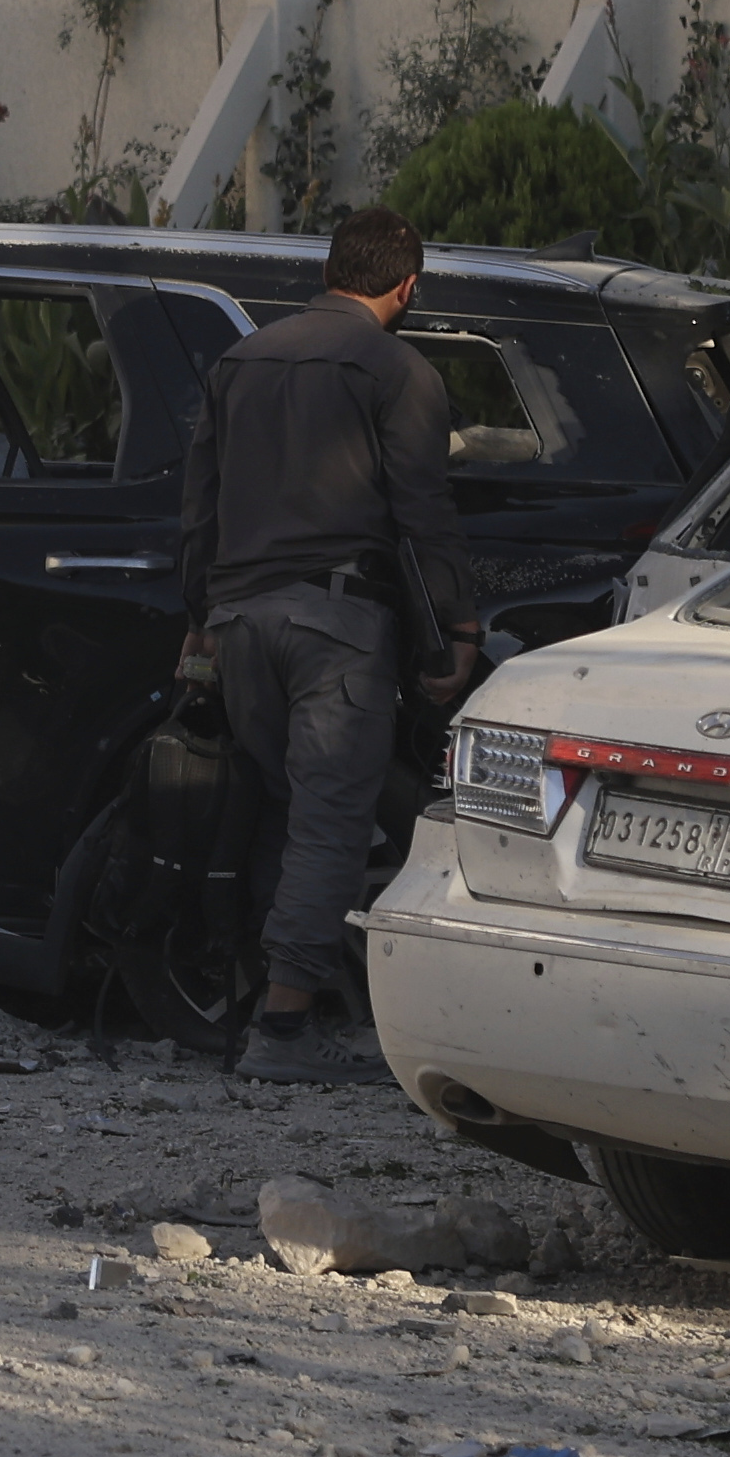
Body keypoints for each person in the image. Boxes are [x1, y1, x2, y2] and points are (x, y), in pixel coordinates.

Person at [177, 204, 483, 1088]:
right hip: (335, 628)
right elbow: (424, 514)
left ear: (328, 272)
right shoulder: (398, 369)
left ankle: (255, 995)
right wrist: (457, 632)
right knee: (328, 825)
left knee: (279, 806)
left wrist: (197, 620)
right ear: (407, 286)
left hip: (236, 625)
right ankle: (284, 1028)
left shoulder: (237, 362)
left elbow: (199, 507)